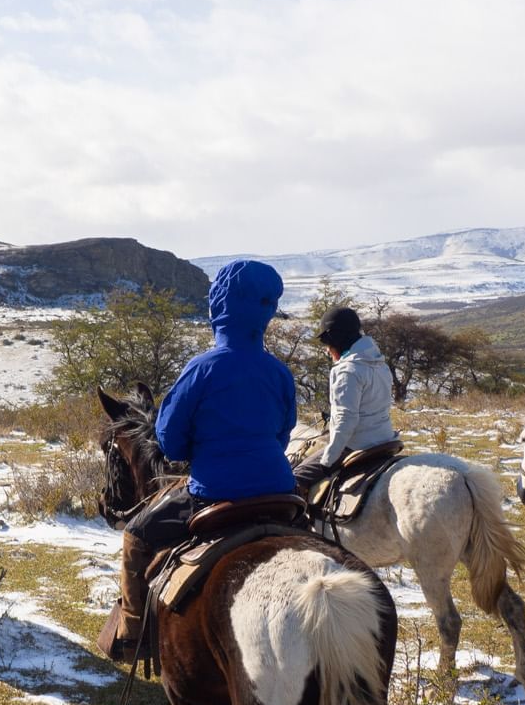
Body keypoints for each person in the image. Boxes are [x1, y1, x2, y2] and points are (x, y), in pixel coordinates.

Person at [102, 259, 297, 662]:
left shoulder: (202, 368)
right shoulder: (279, 373)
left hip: (214, 491)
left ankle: (133, 635)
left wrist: (204, 449)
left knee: (135, 538)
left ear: (220, 306)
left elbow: (169, 443)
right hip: (280, 489)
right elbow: (283, 432)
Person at [291, 305, 397, 496]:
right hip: (385, 440)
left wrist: (328, 461)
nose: (328, 351)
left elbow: (346, 421)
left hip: (356, 444)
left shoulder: (347, 370)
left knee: (296, 478)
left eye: (327, 346)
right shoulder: (381, 364)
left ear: (335, 341)